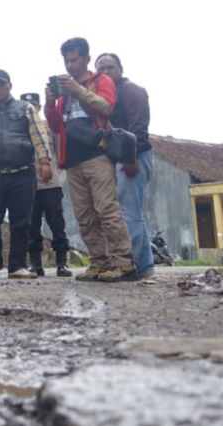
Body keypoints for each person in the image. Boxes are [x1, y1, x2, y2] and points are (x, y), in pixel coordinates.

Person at [44, 37, 136, 282]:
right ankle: (99, 262)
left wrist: (78, 90)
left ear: (85, 59)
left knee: (106, 208)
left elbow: (107, 107)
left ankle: (123, 262)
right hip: (71, 159)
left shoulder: (100, 81)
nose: (70, 65)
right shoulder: (64, 91)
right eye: (66, 60)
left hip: (97, 154)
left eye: (74, 59)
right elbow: (54, 125)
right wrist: (50, 103)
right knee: (84, 214)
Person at [0, 70, 53, 279]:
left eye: (1, 84)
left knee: (21, 221)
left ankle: (17, 265)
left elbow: (38, 135)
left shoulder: (26, 109)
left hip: (23, 172)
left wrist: (44, 161)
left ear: (9, 86)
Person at [95, 53, 155, 279]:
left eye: (110, 67)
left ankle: (134, 265)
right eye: (101, 69)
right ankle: (146, 267)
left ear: (120, 68)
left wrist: (131, 157)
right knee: (131, 213)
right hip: (119, 157)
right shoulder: (107, 94)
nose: (106, 72)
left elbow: (139, 126)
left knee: (129, 215)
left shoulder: (132, 91)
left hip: (135, 156)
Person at [21, 92, 72, 277]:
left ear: (39, 107)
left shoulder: (50, 128)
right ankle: (35, 264)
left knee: (57, 224)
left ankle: (61, 263)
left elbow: (59, 153)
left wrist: (58, 175)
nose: (30, 110)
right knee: (31, 227)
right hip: (27, 186)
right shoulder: (18, 131)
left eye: (33, 105)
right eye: (26, 106)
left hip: (50, 185)